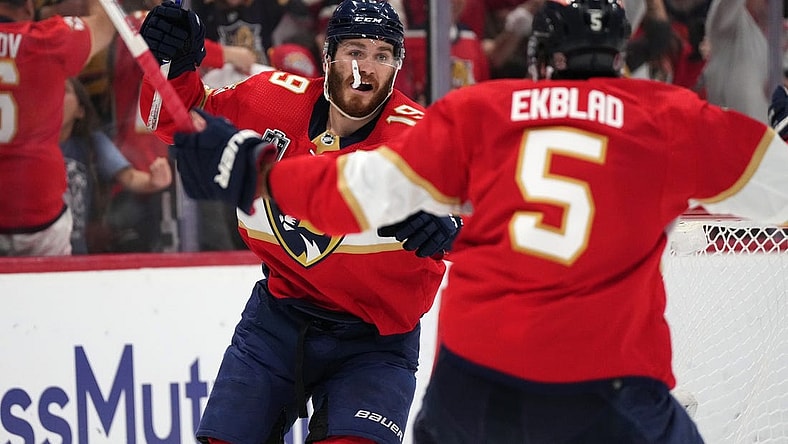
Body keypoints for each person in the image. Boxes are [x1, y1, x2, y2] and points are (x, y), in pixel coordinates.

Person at [171, 0, 788, 442]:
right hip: (612, 382)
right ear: (620, 61)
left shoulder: (482, 110)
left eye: (381, 54)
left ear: (539, 63)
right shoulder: (667, 115)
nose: (365, 68)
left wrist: (258, 172)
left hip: (473, 382)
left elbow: (357, 192)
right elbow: (777, 193)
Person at [138, 0, 462, 443]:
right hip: (278, 319)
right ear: (327, 55)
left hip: (376, 341)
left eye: (382, 55)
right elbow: (177, 119)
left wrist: (453, 225)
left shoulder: (424, 137)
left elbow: (490, 209)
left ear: (397, 66)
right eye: (354, 50)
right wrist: (173, 65)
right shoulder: (270, 98)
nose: (365, 68)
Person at [0, 0, 115, 256]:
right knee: (49, 293)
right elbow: (107, 25)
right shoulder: (50, 39)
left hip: (32, 206)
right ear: (29, 8)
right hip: (37, 208)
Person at [60, 77, 172, 254]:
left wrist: (153, 181)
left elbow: (130, 177)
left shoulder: (91, 143)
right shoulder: (28, 145)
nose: (56, 96)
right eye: (51, 91)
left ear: (80, 111)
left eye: (65, 91)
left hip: (77, 252)